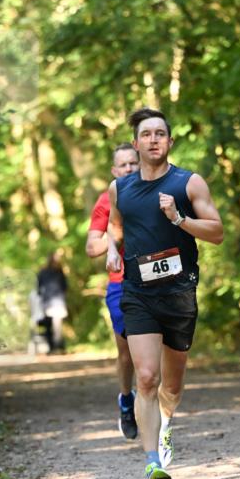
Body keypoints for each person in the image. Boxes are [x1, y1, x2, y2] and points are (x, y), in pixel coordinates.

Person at [106, 108, 223, 479]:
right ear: (136, 144)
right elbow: (116, 225)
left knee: (171, 386)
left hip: (179, 293)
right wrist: (111, 247)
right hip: (138, 294)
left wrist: (179, 220)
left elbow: (217, 232)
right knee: (146, 377)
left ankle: (166, 423)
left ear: (169, 142)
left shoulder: (188, 183)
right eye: (146, 134)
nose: (153, 139)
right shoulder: (119, 189)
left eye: (160, 133)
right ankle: (152, 463)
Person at [86, 143, 141, 439]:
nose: (130, 169)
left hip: (154, 282)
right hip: (122, 284)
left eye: (134, 163)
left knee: (155, 353)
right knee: (127, 354)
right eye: (123, 165)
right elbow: (91, 247)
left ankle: (152, 412)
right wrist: (114, 240)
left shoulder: (155, 192)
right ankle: (125, 399)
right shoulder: (106, 201)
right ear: (114, 171)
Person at [36, 251, 68, 353]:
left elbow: (38, 288)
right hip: (58, 301)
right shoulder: (59, 271)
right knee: (57, 325)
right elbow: (65, 286)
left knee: (48, 325)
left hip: (47, 301)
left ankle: (52, 347)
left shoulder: (42, 272)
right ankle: (58, 346)